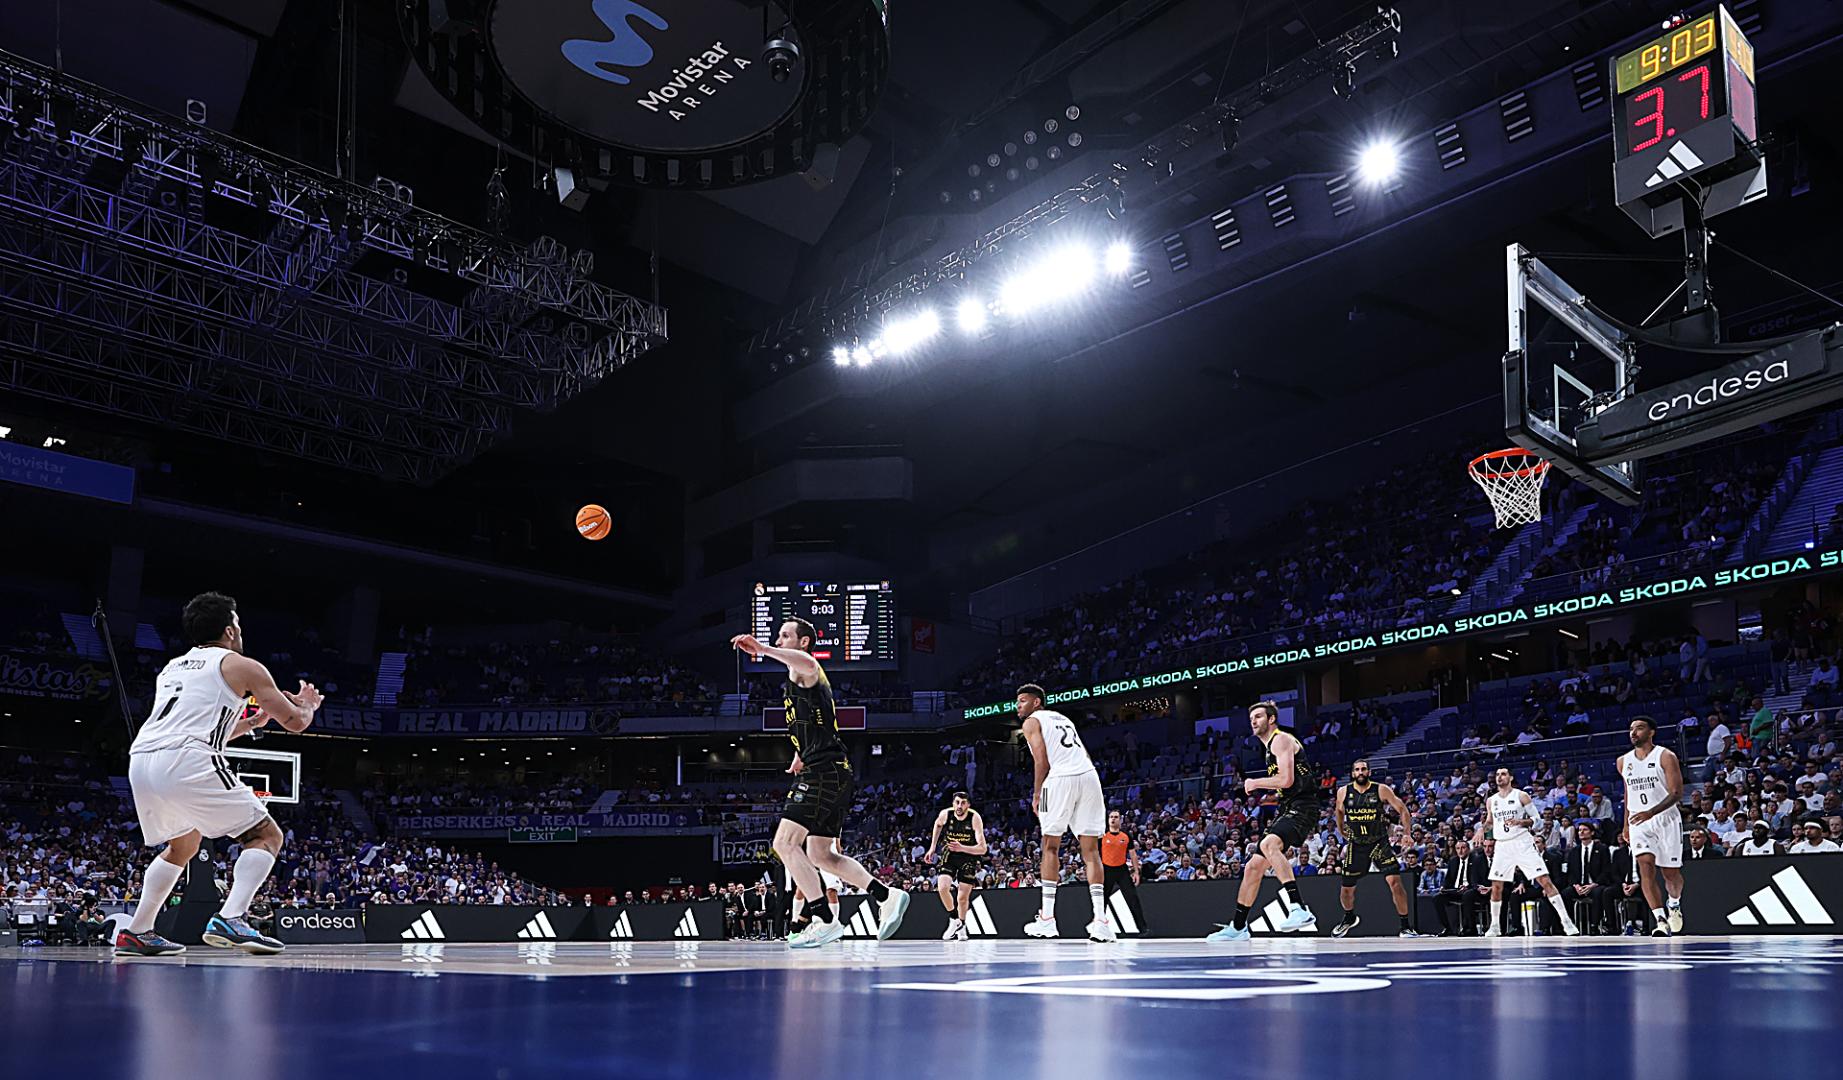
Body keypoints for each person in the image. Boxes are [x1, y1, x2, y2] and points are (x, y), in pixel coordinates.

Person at [117, 592, 323, 958]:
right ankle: (232, 916)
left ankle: (138, 931)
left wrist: (254, 723)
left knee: (183, 845)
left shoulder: (173, 668)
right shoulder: (242, 665)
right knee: (266, 835)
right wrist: (306, 705)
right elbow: (295, 723)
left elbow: (198, 727)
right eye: (239, 624)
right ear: (230, 630)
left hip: (143, 759)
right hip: (186, 759)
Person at [731, 619, 908, 948]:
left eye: (786, 635)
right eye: (777, 635)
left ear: (803, 642)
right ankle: (886, 895)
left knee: (784, 844)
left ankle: (825, 920)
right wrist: (800, 753)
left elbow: (809, 663)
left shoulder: (807, 668)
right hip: (831, 768)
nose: (779, 639)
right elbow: (817, 724)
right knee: (821, 853)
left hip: (824, 770)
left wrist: (763, 649)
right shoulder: (794, 682)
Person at [1209, 701, 1322, 940]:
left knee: (1270, 844)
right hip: (1288, 806)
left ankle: (1298, 908)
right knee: (1253, 867)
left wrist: (1254, 783)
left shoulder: (1280, 739)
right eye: (1252, 718)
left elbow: (1287, 780)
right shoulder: (1269, 747)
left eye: (1259, 716)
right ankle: (1238, 927)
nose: (1254, 721)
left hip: (1303, 806)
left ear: (1271, 719)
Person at [1016, 684, 1114, 942]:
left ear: (1037, 703)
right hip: (1089, 777)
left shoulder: (1031, 722)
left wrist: (1037, 794)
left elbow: (1041, 761)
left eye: (1023, 701)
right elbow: (1084, 753)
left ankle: (1047, 919)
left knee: (1050, 846)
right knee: (1091, 851)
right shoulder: (1064, 718)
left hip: (1060, 780)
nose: (1019, 706)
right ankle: (1100, 921)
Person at [1473, 766, 1580, 937]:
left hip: (1522, 842)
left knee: (1545, 880)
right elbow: (1489, 822)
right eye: (1498, 774)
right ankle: (1494, 926)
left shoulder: (1521, 795)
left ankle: (1566, 922)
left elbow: (1537, 821)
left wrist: (1521, 822)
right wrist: (1481, 830)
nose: (1500, 777)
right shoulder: (1491, 800)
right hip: (1502, 845)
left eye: (1504, 774)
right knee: (1496, 886)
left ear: (1510, 777)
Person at [1331, 759, 1423, 938]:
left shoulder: (1381, 789)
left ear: (1369, 772)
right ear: (1352, 773)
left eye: (1363, 769)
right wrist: (1342, 831)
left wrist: (1407, 833)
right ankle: (1349, 918)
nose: (1360, 772)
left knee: (1395, 883)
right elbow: (1339, 811)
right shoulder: (1343, 791)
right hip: (1356, 844)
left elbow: (1403, 810)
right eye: (1357, 769)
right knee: (1346, 889)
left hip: (1378, 842)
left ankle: (1405, 926)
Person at [1619, 715, 1686, 936]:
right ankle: (1660, 920)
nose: (1633, 732)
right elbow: (1628, 792)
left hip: (1665, 818)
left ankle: (1674, 905)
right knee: (1645, 868)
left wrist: (1652, 811)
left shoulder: (1666, 756)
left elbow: (1677, 793)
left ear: (1651, 732)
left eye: (1639, 728)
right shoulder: (1623, 761)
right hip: (1638, 821)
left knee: (1670, 874)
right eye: (1631, 729)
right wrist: (1626, 824)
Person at [925, 791, 986, 941]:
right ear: (953, 804)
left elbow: (983, 849)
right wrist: (932, 847)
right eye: (957, 802)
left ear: (968, 805)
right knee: (942, 888)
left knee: (962, 898)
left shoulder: (974, 818)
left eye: (963, 803)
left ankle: (962, 925)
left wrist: (962, 848)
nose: (960, 806)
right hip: (950, 855)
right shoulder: (946, 814)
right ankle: (954, 919)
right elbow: (938, 825)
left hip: (968, 856)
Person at [1100, 810, 1149, 935]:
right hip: (1106, 869)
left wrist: (1136, 872)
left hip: (1122, 870)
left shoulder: (1126, 836)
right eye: (1111, 817)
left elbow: (1133, 855)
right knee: (1102, 900)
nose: (1113, 819)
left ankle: (1143, 928)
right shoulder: (1102, 835)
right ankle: (1099, 926)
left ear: (1120, 819)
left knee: (1132, 898)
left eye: (1116, 817)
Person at [1436, 839, 1490, 936]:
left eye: (1463, 848)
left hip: (1469, 889)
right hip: (1455, 890)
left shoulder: (1475, 860)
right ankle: (1448, 928)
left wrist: (1468, 886)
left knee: (1467, 895)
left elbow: (1476, 879)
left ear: (1468, 849)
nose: (1460, 851)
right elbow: (1448, 879)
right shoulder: (1453, 861)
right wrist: (1443, 887)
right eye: (1458, 848)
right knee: (1437, 898)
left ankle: (1470, 928)